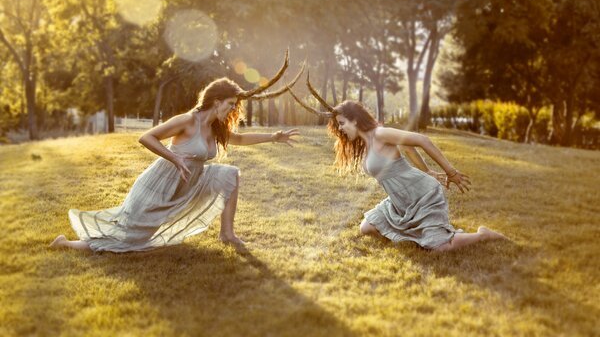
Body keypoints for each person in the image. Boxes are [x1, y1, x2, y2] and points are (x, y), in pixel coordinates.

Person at [50, 53, 301, 252]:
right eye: (230, 104)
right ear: (216, 101)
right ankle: (66, 244)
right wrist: (175, 157)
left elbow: (239, 138)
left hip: (190, 182)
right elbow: (146, 137)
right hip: (158, 186)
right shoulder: (187, 120)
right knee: (128, 240)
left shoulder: (216, 127)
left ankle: (227, 234)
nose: (232, 110)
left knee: (229, 175)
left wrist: (274, 137)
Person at [288, 82, 506, 252]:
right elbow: (408, 150)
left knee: (440, 248)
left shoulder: (380, 134)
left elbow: (421, 140)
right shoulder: (366, 142)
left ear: (354, 120)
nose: (341, 129)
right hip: (400, 200)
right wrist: (426, 171)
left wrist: (450, 172)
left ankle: (482, 235)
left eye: (342, 123)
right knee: (367, 228)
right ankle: (416, 233)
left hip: (423, 195)